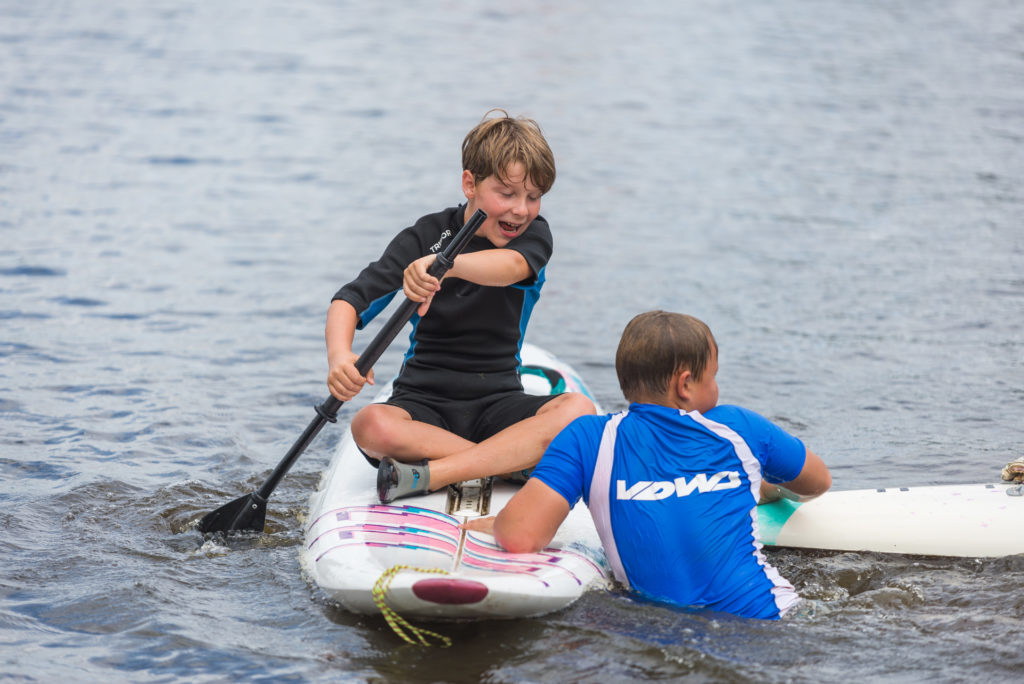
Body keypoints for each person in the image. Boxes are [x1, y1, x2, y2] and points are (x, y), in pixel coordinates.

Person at [464, 310, 832, 619]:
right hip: (773, 618)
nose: (716, 387)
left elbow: (520, 537)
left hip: (661, 631)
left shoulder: (589, 438)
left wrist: (502, 520)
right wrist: (761, 488)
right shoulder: (739, 427)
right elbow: (817, 482)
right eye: (713, 376)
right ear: (685, 384)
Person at [325, 109, 595, 504]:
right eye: (506, 193)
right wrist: (339, 358)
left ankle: (436, 472)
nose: (521, 209)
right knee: (370, 425)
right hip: (422, 404)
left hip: (499, 402)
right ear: (470, 183)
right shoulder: (427, 235)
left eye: (533, 197)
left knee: (579, 411)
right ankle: (510, 461)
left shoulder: (533, 238)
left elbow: (509, 268)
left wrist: (444, 268)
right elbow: (350, 300)